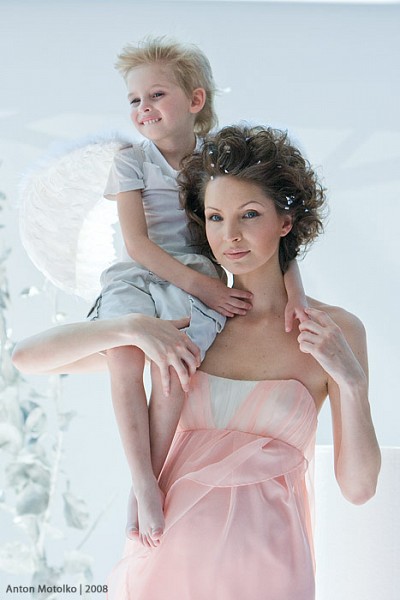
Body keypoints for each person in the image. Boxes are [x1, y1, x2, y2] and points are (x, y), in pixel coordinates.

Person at [11, 38, 307, 547]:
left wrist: (295, 294)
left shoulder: (215, 164)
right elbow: (137, 244)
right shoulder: (131, 161)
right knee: (126, 356)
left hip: (194, 274)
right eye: (134, 100)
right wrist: (203, 288)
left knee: (176, 361)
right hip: (138, 272)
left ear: (195, 100)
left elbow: (280, 236)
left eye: (156, 95)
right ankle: (142, 480)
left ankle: (151, 478)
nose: (143, 108)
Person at [103, 124, 381, 600]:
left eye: (249, 214)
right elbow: (32, 358)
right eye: (215, 217)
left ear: (286, 222)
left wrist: (350, 382)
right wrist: (127, 327)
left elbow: (358, 489)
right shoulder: (187, 322)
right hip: (169, 556)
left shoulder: (336, 332)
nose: (229, 235)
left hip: (271, 569)